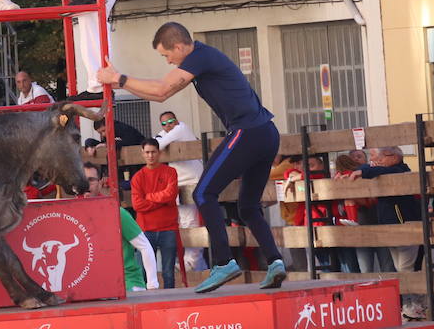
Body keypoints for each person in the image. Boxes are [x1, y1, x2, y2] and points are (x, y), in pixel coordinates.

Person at [98, 21, 286, 293]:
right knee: (247, 206)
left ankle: (223, 263)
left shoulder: (199, 56)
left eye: (167, 55)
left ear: (178, 46)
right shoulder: (202, 60)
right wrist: (119, 84)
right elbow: (162, 97)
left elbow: (162, 89)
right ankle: (276, 262)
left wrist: (119, 79)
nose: (168, 61)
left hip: (248, 132)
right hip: (267, 133)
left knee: (203, 194)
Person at [349, 147, 428, 319]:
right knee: (400, 268)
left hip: (405, 226)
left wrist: (361, 171)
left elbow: (373, 169)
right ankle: (411, 304)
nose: (377, 161)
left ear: (393, 157)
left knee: (405, 268)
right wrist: (360, 170)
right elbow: (370, 169)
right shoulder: (384, 171)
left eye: (380, 157)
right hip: (389, 227)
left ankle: (411, 305)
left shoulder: (400, 170)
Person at [83, 162, 159, 292]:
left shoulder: (117, 213)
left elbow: (145, 247)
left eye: (91, 180)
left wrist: (152, 286)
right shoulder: (76, 215)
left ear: (101, 182)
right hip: (97, 286)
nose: (86, 185)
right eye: (83, 181)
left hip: (128, 284)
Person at [131, 139, 180, 288]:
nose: (150, 155)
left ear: (159, 153)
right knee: (145, 273)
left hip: (168, 228)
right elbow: (137, 205)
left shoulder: (170, 172)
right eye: (147, 152)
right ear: (142, 153)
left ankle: (171, 305)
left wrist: (149, 197)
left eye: (153, 152)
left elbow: (171, 195)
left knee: (168, 273)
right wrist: (161, 200)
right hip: (146, 230)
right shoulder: (138, 177)